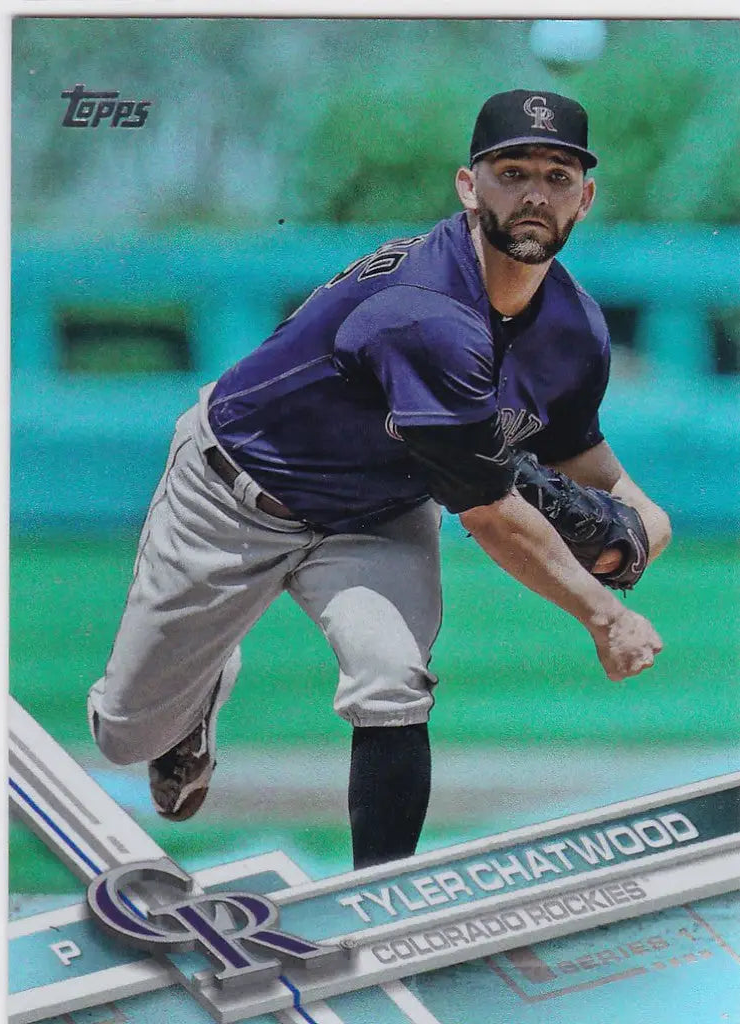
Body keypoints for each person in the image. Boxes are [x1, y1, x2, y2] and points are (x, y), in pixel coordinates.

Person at [88, 89, 671, 870]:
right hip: (234, 496)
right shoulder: (423, 310)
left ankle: (378, 899)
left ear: (585, 198)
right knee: (127, 733)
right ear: (469, 186)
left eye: (558, 176)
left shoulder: (571, 327)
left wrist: (639, 531)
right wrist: (605, 615)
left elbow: (593, 470)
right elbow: (491, 515)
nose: (535, 193)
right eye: (512, 171)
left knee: (392, 680)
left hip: (375, 513)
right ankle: (193, 696)